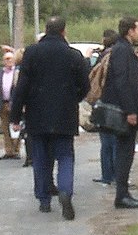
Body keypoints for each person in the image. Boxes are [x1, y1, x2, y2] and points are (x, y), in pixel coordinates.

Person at [9, 16, 90, 220]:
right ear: (64, 31)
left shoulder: (32, 53)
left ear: (45, 31)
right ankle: (64, 190)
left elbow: (22, 87)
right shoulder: (74, 55)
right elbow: (85, 86)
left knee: (40, 158)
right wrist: (73, 98)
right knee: (65, 156)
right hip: (65, 113)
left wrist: (15, 116)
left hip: (37, 114)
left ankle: (44, 199)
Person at [100, 16, 138, 209]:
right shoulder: (122, 50)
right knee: (124, 151)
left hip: (126, 108)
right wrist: (130, 110)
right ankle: (122, 195)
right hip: (124, 110)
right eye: (137, 29)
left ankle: (123, 193)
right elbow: (122, 82)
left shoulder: (124, 49)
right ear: (130, 31)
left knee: (126, 151)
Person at [87, 29, 118, 186]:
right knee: (115, 141)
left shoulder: (101, 57)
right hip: (115, 103)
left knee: (106, 142)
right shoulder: (117, 56)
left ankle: (107, 175)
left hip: (101, 102)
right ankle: (117, 175)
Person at [0, 48, 22, 160]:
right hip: (2, 103)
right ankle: (8, 151)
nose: (9, 61)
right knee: (5, 129)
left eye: (10, 58)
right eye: (6, 59)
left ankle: (16, 150)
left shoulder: (18, 73)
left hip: (14, 104)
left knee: (16, 127)